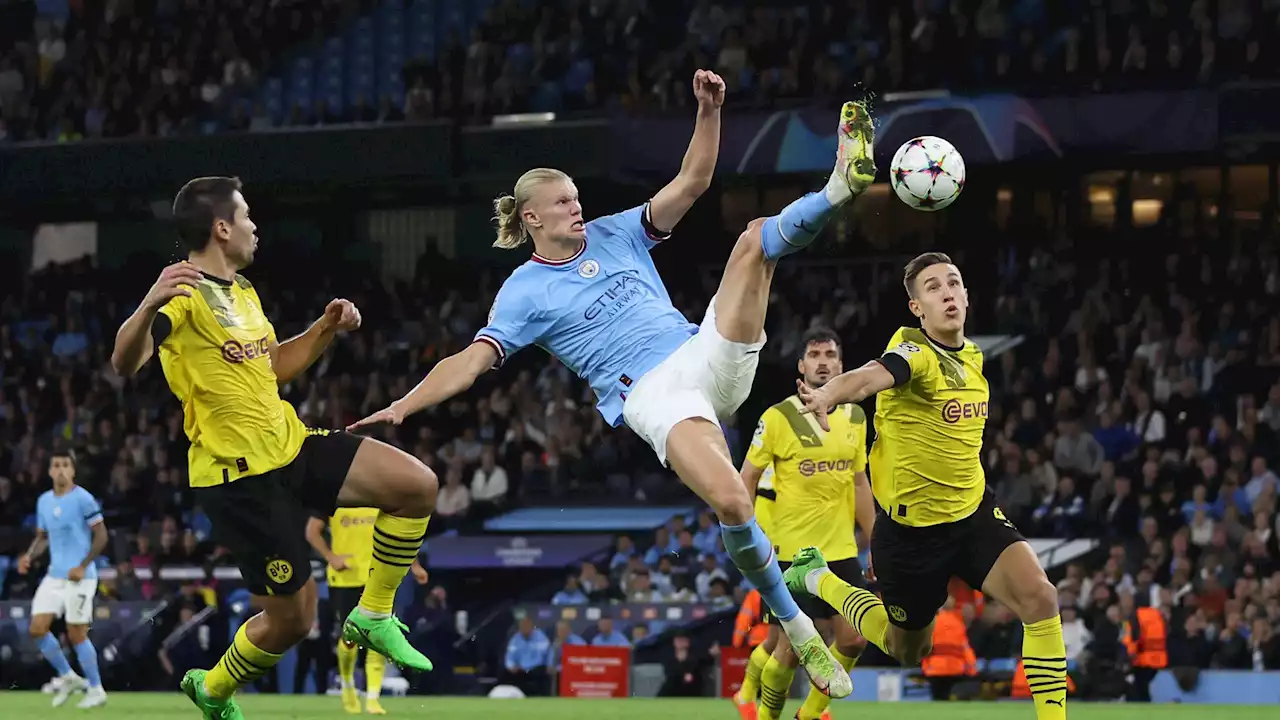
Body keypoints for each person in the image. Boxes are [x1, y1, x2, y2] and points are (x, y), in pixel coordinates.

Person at [350, 71, 878, 698]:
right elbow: (469, 362)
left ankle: (841, 186)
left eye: (578, 197)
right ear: (532, 216)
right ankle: (799, 628)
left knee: (752, 241)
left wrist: (709, 112)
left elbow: (694, 182)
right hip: (654, 397)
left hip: (703, 352)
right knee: (733, 505)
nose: (579, 206)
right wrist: (405, 404)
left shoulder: (617, 230)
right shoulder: (522, 291)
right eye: (566, 201)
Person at [110, 176, 439, 720]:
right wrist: (147, 304)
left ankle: (375, 613)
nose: (254, 226)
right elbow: (126, 361)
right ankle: (212, 689)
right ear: (221, 228)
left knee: (416, 486)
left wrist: (325, 328)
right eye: (246, 217)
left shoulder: (243, 292)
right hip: (239, 481)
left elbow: (273, 368)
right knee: (294, 621)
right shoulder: (184, 296)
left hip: (290, 446)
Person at [784, 252, 1069, 720]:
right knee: (908, 649)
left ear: (967, 295)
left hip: (973, 514)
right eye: (933, 288)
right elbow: (870, 377)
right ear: (917, 308)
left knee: (1041, 597)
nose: (947, 293)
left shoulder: (974, 357)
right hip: (912, 536)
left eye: (953, 283)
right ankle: (819, 578)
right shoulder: (915, 352)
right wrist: (828, 394)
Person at [735, 328, 876, 720]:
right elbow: (747, 477)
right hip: (792, 553)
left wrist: (874, 536)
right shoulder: (777, 417)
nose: (823, 361)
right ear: (801, 365)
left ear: (842, 365)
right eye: (814, 354)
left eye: (830, 354)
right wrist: (743, 535)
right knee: (791, 647)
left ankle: (809, 714)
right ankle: (763, 712)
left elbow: (859, 480)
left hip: (841, 549)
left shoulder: (856, 416)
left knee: (853, 639)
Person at [305, 509, 429, 714]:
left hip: (377, 575)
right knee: (349, 637)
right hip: (345, 578)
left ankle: (373, 697)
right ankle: (347, 683)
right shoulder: (336, 496)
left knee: (378, 634)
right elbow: (311, 531)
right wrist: (331, 557)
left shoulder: (381, 496)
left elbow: (401, 533)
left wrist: (414, 565)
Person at [16, 451, 109, 709]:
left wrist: (82, 565)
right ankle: (68, 676)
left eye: (65, 465)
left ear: (73, 471)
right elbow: (43, 536)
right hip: (54, 575)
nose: (60, 470)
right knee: (37, 628)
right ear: (49, 471)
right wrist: (30, 556)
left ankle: (96, 689)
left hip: (80, 577)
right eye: (56, 465)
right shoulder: (44, 501)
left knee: (76, 633)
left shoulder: (83, 499)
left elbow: (102, 536)